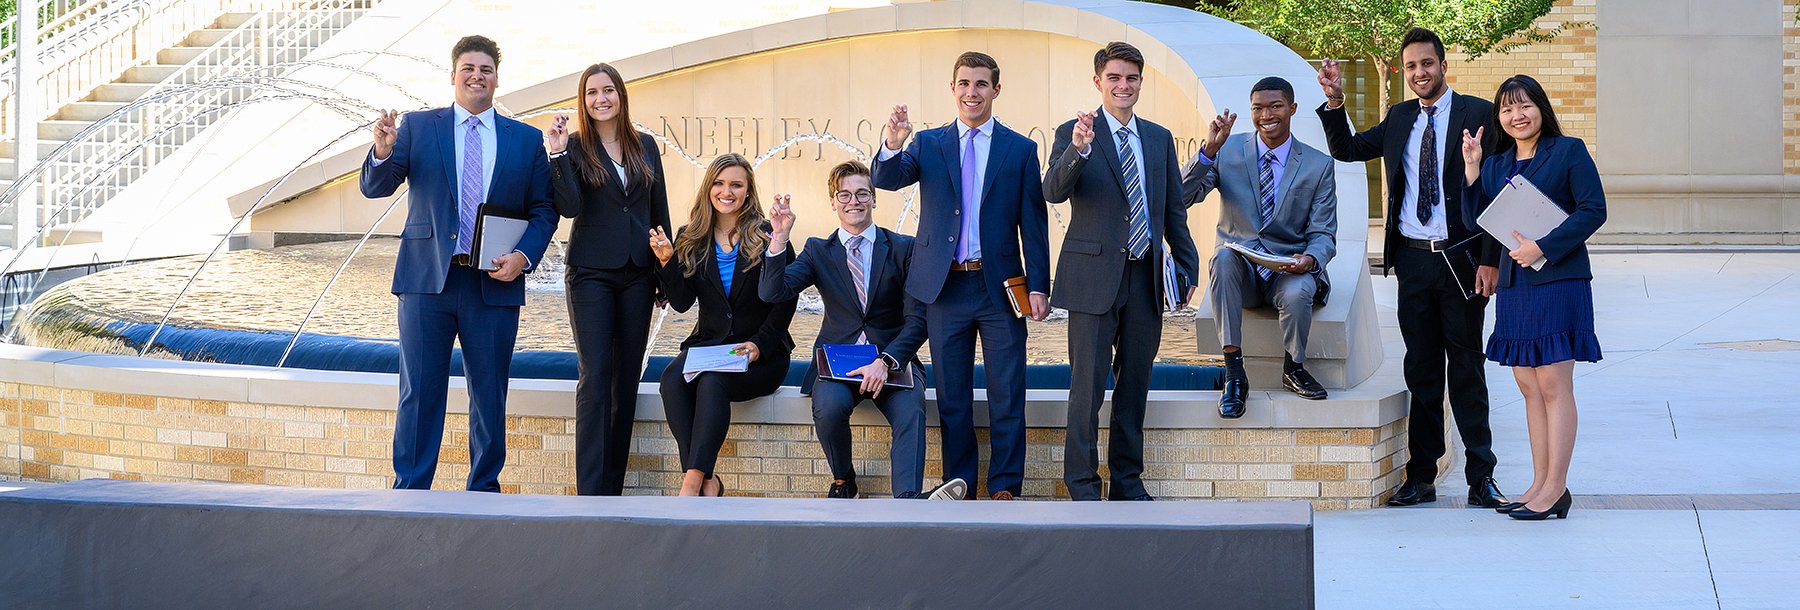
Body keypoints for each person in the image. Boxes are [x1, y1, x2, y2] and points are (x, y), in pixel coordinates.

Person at [1316, 27, 1508, 508]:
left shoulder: (1480, 114)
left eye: (1427, 64)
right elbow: (1348, 150)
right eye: (1411, 67)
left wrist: (1491, 259)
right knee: (1421, 369)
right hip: (1413, 262)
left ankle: (1480, 478)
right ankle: (1420, 476)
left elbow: (1499, 192)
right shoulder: (1400, 116)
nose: (1419, 73)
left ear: (1444, 65)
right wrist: (1336, 103)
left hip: (1462, 259)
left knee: (1466, 368)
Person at [360, 35, 559, 492]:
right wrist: (383, 150)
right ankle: (411, 488)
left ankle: (484, 490)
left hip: (494, 283)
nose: (477, 76)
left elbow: (544, 209)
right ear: (453, 76)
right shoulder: (417, 127)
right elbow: (376, 188)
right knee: (419, 391)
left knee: (489, 395)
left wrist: (524, 257)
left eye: (486, 69)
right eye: (468, 68)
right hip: (427, 280)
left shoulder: (525, 140)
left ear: (496, 78)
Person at [872, 51, 1052, 501]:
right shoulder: (929, 144)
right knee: (953, 400)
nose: (972, 92)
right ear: (953, 89)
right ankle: (961, 487)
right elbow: (887, 179)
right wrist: (893, 143)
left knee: (1007, 394)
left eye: (981, 84)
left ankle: (1005, 487)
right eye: (964, 84)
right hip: (944, 288)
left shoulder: (1020, 150)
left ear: (996, 89)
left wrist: (1040, 287)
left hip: (1000, 290)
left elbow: (1034, 225)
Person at [1043, 42, 1199, 501]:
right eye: (1113, 77)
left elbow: (1173, 210)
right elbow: (1052, 190)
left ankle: (1127, 482)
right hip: (1092, 280)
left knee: (1134, 386)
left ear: (1140, 82)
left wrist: (1186, 267)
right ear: (1098, 82)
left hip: (1145, 279)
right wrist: (1078, 151)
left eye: (1131, 78)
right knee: (1086, 389)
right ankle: (1083, 485)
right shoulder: (1074, 133)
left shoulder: (1157, 137)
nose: (1122, 85)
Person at [761, 161, 966, 501]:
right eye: (844, 194)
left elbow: (919, 320)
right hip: (838, 363)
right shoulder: (817, 251)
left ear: (873, 199)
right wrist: (780, 238)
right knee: (828, 408)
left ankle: (908, 499)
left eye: (861, 193)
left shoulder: (903, 248)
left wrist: (886, 361)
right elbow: (773, 292)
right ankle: (844, 481)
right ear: (833, 201)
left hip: (891, 361)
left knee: (911, 411)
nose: (853, 201)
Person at [1460, 75, 1604, 520]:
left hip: (1558, 278)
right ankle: (1540, 484)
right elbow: (1477, 221)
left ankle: (1556, 488)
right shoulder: (1496, 164)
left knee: (1553, 384)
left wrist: (1543, 245)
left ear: (1541, 108)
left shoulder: (1569, 151)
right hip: (1516, 283)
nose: (1516, 116)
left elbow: (1593, 209)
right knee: (1528, 386)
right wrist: (1471, 171)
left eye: (1524, 106)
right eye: (1506, 109)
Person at [543, 63, 671, 496]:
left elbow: (659, 212)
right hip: (591, 273)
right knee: (596, 374)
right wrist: (558, 154)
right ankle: (590, 492)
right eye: (592, 92)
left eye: (608, 90)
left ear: (621, 95)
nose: (601, 99)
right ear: (584, 100)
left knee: (626, 378)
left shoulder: (645, 146)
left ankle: (610, 489)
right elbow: (569, 206)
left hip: (637, 273)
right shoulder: (575, 146)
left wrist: (664, 276)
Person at [1182, 77, 1337, 418]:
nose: (1266, 114)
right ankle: (1235, 374)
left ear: (1292, 109)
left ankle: (1293, 367)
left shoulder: (1317, 165)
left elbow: (1324, 232)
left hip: (1288, 269)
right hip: (1242, 271)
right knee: (1223, 257)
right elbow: (1181, 197)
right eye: (1258, 108)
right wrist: (1209, 151)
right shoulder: (1227, 151)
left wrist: (1310, 259)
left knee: (1299, 293)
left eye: (1275, 106)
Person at [648, 153, 797, 497]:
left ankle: (690, 484)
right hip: (712, 347)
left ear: (747, 191)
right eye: (719, 183)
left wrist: (761, 343)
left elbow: (787, 299)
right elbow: (683, 303)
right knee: (671, 378)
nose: (726, 191)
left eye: (736, 185)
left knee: (712, 383)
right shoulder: (691, 236)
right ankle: (708, 480)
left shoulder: (767, 233)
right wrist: (669, 260)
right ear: (708, 188)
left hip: (762, 354)